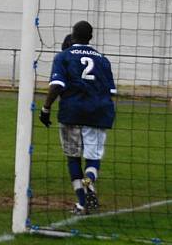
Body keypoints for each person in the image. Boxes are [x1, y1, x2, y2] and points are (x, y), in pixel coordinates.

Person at [40, 20, 116, 215]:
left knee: (73, 157)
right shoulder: (103, 59)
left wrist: (46, 108)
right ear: (90, 37)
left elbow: (56, 85)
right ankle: (89, 181)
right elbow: (111, 91)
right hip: (98, 113)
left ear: (72, 35)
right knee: (93, 156)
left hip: (72, 112)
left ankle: (82, 203)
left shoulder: (63, 57)